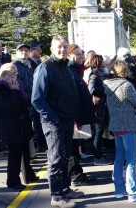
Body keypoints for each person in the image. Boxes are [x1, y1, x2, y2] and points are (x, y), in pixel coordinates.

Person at [32, 35, 84, 208]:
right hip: (54, 123)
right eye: (59, 47)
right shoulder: (45, 68)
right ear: (52, 49)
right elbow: (37, 99)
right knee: (55, 159)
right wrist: (54, 119)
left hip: (67, 120)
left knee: (65, 157)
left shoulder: (66, 67)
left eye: (65, 46)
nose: (62, 49)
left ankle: (65, 188)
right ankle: (56, 196)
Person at [103, 60, 136, 202]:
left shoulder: (107, 85)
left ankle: (118, 190)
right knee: (130, 160)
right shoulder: (127, 85)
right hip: (128, 126)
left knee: (119, 158)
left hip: (115, 126)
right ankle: (133, 192)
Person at [0, 63, 38, 189]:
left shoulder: (17, 86)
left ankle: (28, 175)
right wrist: (15, 92)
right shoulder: (0, 88)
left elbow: (25, 102)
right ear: (4, 75)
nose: (15, 76)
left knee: (26, 152)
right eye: (12, 74)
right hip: (10, 126)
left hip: (21, 125)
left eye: (16, 73)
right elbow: (12, 106)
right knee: (15, 155)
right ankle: (13, 181)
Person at [67, 44, 97, 186]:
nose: (81, 57)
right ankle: (75, 176)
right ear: (69, 55)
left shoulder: (76, 71)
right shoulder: (69, 71)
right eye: (77, 54)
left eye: (81, 54)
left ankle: (77, 172)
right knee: (73, 147)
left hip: (81, 116)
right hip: (75, 118)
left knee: (77, 145)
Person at [87, 54, 111, 165]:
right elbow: (91, 90)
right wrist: (103, 89)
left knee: (99, 132)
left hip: (100, 106)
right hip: (98, 107)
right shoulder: (94, 76)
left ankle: (99, 155)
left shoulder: (98, 74)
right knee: (97, 133)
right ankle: (98, 157)